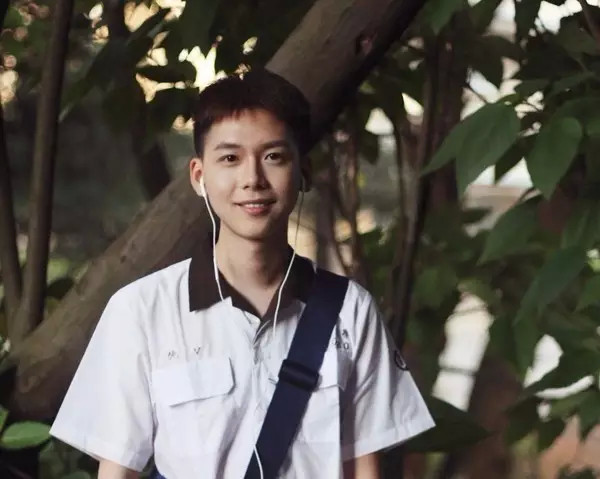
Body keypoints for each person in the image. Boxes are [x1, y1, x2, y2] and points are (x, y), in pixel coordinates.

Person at [49, 69, 434, 479]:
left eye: (274, 157)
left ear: (302, 171)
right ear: (199, 177)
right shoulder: (142, 311)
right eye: (230, 159)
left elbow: (363, 469)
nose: (252, 180)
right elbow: (117, 470)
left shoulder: (350, 311)